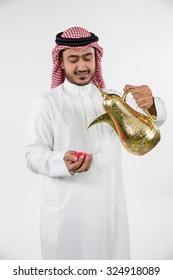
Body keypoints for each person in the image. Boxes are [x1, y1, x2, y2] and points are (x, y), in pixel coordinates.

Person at [25, 26, 167, 260]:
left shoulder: (113, 100)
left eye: (87, 58)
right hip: (67, 215)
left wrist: (150, 102)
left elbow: (156, 119)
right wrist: (61, 160)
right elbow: (32, 155)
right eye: (73, 59)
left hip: (108, 214)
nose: (82, 66)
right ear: (60, 62)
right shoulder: (46, 103)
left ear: (96, 58)